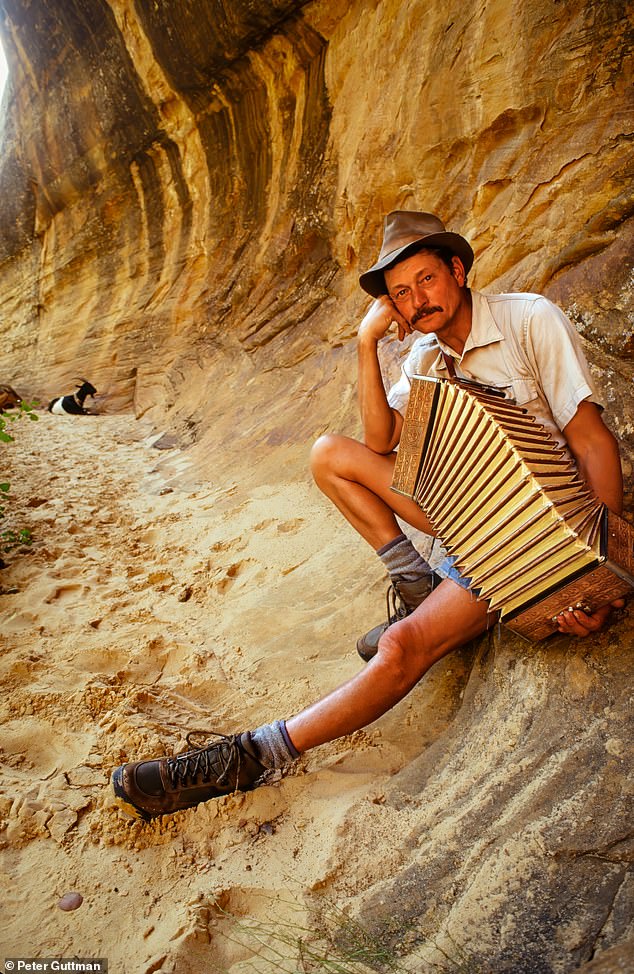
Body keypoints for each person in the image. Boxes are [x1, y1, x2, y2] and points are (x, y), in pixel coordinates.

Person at [111, 210, 625, 821]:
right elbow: (381, 444)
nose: (417, 300)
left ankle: (251, 756)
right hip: (466, 514)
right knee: (330, 454)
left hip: (532, 534)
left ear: (457, 270)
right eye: (401, 293)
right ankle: (417, 585)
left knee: (403, 646)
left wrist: (596, 571)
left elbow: (592, 441)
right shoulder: (424, 360)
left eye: (427, 280)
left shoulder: (528, 319)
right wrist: (366, 344)